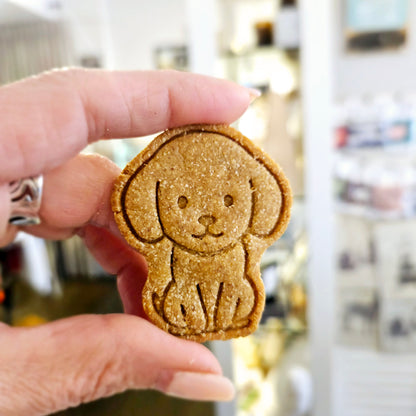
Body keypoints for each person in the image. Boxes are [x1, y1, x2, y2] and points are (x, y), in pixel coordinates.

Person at [0, 68, 258, 415]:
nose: (208, 218)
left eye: (228, 201)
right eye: (181, 202)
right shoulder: (152, 221)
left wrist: (15, 200)